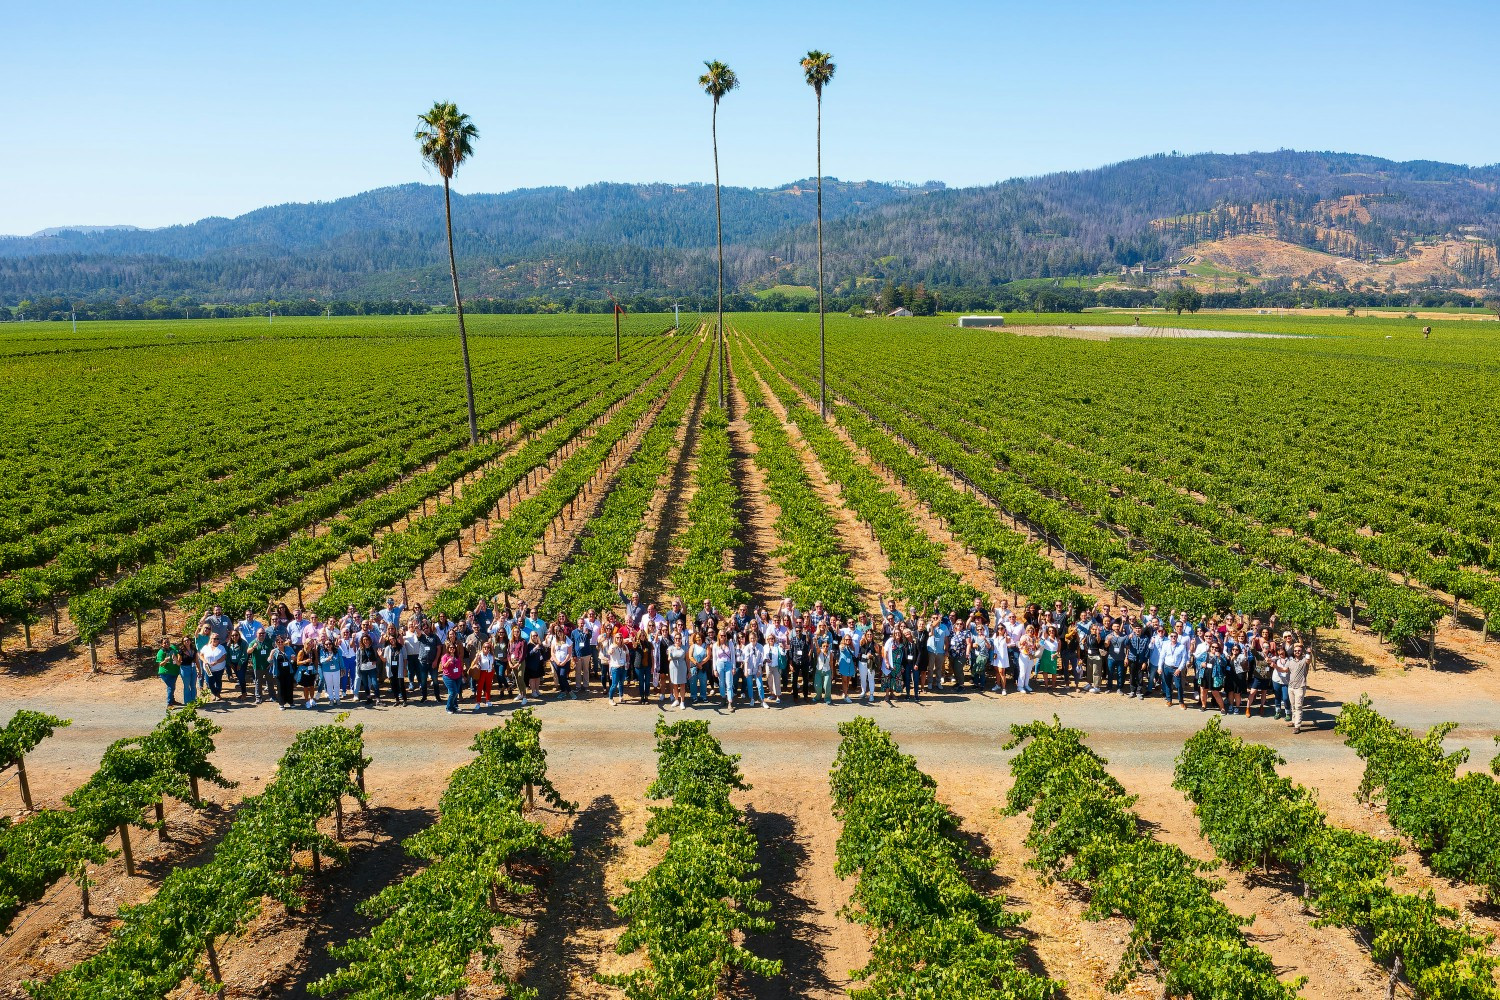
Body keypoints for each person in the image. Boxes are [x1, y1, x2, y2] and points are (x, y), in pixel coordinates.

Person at [1284, 642, 1312, 734]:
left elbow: (1308, 660)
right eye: (1295, 651)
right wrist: (1274, 666)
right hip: (1291, 686)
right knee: (1293, 706)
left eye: (1299, 651)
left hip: (1300, 687)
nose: (1297, 652)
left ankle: (1297, 726)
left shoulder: (1304, 661)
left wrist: (1309, 653)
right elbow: (1284, 670)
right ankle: (1293, 721)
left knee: (1298, 706)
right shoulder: (1290, 661)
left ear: (1301, 651)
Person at [381, 629, 408, 706]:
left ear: (396, 639)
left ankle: (405, 700)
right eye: (390, 639)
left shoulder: (401, 647)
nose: (392, 640)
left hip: (399, 668)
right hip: (391, 669)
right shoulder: (388, 648)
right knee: (393, 685)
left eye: (393, 638)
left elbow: (405, 658)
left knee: (401, 685)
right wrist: (380, 656)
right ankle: (397, 700)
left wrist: (405, 668)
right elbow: (385, 660)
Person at [270, 634, 297, 709]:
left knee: (289, 687)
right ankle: (281, 704)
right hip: (279, 672)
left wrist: (293, 658)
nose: (280, 643)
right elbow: (269, 661)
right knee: (280, 688)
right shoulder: (274, 651)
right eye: (278, 642)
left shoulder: (289, 649)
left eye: (282, 641)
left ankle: (291, 702)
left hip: (288, 671)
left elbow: (294, 658)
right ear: (276, 643)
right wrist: (271, 655)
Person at [439, 637, 466, 714]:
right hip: (448, 677)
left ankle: (455, 706)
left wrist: (463, 675)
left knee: (456, 692)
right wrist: (448, 662)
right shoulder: (445, 657)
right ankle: (448, 708)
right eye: (450, 648)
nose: (452, 649)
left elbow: (460, 667)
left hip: (458, 677)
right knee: (453, 692)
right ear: (448, 648)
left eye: (453, 648)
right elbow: (443, 666)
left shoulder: (457, 657)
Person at [713, 629, 737, 711]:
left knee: (729, 683)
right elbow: (714, 658)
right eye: (721, 636)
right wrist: (715, 669)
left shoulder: (730, 643)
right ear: (718, 637)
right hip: (719, 664)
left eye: (724, 635)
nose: (723, 637)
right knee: (721, 683)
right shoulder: (715, 645)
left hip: (728, 664)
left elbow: (733, 656)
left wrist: (734, 667)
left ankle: (730, 702)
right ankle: (723, 698)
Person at [666, 626, 689, 709]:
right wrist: (671, 656)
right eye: (676, 638)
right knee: (675, 684)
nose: (677, 640)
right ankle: (676, 700)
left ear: (681, 639)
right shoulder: (671, 648)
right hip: (673, 667)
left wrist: (688, 671)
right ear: (674, 639)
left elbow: (687, 660)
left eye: (679, 638)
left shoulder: (685, 648)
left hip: (682, 667)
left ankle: (682, 701)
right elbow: (669, 658)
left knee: (682, 684)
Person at [355, 634, 380, 704]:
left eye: (367, 639)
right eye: (364, 640)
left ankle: (378, 698)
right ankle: (369, 698)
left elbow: (378, 657)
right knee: (365, 685)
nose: (365, 641)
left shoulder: (373, 648)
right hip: (363, 669)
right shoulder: (360, 649)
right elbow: (358, 660)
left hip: (372, 669)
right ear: (362, 641)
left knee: (375, 683)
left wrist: (376, 661)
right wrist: (358, 669)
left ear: (369, 640)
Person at [688, 628, 710, 705]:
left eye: (699, 638)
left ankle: (703, 696)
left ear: (702, 638)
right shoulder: (692, 646)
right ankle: (694, 696)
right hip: (694, 667)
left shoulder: (706, 646)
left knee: (703, 682)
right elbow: (690, 656)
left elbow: (708, 656)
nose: (698, 639)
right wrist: (697, 664)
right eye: (696, 638)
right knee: (693, 682)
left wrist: (701, 664)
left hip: (703, 667)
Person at [156, 636, 180, 707]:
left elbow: (178, 653)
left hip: (174, 671)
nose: (167, 644)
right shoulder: (161, 652)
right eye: (165, 643)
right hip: (166, 672)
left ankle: (172, 700)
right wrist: (165, 661)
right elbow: (160, 664)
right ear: (161, 644)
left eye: (168, 642)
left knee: (173, 686)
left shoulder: (172, 648)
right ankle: (169, 703)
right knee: (170, 686)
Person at [318, 637, 343, 705]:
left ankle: (337, 698)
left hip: (336, 670)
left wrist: (343, 668)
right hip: (326, 670)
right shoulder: (322, 651)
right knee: (329, 685)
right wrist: (327, 659)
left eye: (329, 644)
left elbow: (340, 659)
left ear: (332, 644)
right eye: (326, 644)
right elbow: (321, 660)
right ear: (324, 645)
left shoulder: (337, 650)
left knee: (337, 684)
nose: (328, 646)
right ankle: (331, 699)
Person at [295, 638, 319, 708]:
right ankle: (307, 701)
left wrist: (316, 670)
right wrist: (305, 661)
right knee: (306, 687)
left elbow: (316, 661)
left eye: (312, 643)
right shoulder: (302, 651)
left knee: (312, 686)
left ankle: (312, 699)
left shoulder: (314, 651)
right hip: (304, 671)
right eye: (309, 643)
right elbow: (298, 662)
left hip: (312, 670)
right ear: (306, 643)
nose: (310, 644)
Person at [179, 631, 201, 703]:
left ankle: (194, 700)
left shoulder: (194, 649)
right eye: (185, 641)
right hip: (185, 669)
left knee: (193, 685)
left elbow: (197, 661)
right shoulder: (181, 651)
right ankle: (187, 702)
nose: (186, 642)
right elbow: (179, 662)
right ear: (183, 642)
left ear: (190, 641)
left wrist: (199, 671)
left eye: (188, 640)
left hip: (193, 668)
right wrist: (175, 660)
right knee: (186, 686)